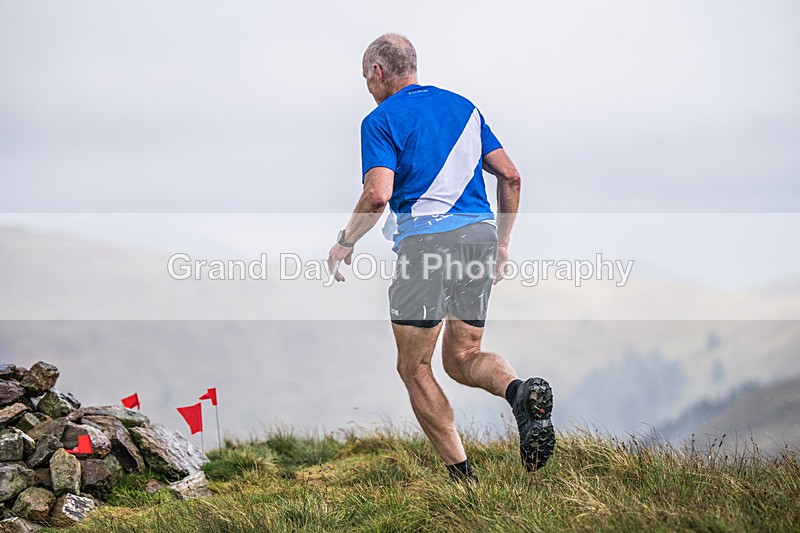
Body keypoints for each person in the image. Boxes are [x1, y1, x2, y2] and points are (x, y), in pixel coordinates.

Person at [327, 33, 555, 481]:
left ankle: (463, 479)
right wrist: (502, 244)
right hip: (478, 238)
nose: (368, 90)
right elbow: (510, 175)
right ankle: (520, 391)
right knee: (463, 356)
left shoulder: (381, 119)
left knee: (414, 367)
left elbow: (377, 196)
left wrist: (345, 242)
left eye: (365, 80)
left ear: (378, 72)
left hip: (425, 248)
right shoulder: (465, 108)